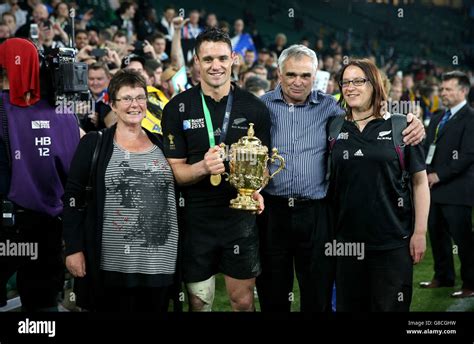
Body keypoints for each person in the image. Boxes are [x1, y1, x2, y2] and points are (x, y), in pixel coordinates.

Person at [257, 45, 425, 312]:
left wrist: (414, 121)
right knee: (273, 291)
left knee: (318, 292)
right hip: (272, 211)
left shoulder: (330, 108)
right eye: (290, 75)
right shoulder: (262, 107)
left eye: (305, 75)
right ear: (278, 73)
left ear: (315, 76)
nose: (298, 82)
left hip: (318, 213)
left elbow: (371, 109)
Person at [161, 28, 270, 312]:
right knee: (199, 302)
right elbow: (176, 172)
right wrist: (202, 167)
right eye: (207, 59)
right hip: (196, 220)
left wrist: (255, 190)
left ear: (234, 58)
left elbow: (264, 166)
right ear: (196, 61)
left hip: (240, 221)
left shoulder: (255, 108)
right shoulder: (177, 108)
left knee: (243, 302)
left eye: (222, 57)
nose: (215, 66)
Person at [63, 70, 179, 311]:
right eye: (126, 98)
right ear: (113, 105)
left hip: (158, 265)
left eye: (139, 97)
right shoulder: (93, 144)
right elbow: (72, 199)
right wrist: (74, 249)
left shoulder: (162, 145)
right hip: (110, 266)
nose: (134, 105)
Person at [326, 58, 430, 311]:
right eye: (345, 82)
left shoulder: (401, 126)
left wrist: (419, 233)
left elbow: (419, 183)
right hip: (347, 243)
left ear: (374, 85)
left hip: (392, 242)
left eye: (358, 81)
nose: (350, 87)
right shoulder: (334, 126)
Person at [0, 38, 81, 311]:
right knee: (43, 305)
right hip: (48, 225)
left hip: (9, 228)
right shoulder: (63, 112)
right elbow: (74, 171)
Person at [419, 71, 474, 298]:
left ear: (463, 91)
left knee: (463, 240)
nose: (443, 93)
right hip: (435, 190)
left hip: (458, 191)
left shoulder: (471, 117)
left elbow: (467, 154)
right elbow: (428, 148)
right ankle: (443, 277)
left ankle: (471, 283)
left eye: (448, 89)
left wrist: (438, 175)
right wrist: (426, 172)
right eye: (442, 89)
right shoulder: (439, 116)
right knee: (437, 236)